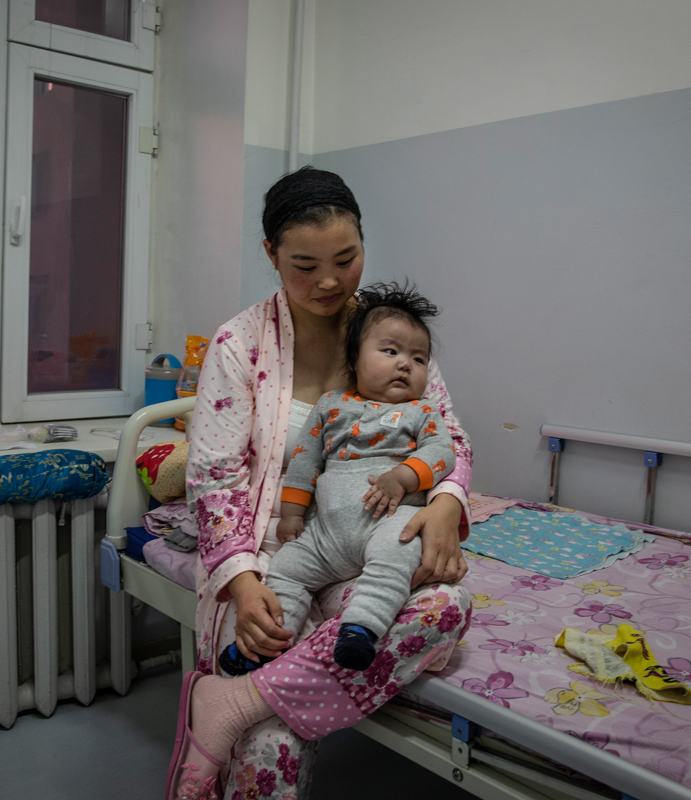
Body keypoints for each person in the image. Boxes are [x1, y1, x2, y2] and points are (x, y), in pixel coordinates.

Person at [168, 167, 474, 800]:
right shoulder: (239, 343)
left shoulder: (391, 335)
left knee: (448, 606)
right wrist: (244, 584)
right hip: (275, 556)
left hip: (378, 547)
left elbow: (450, 438)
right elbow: (215, 477)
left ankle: (234, 699)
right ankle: (254, 712)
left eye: (347, 258)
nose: (329, 281)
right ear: (271, 255)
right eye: (304, 265)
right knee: (270, 747)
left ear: (364, 243)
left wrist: (445, 502)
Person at [217, 282, 455, 675]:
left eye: (418, 358)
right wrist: (293, 512)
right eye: (391, 351)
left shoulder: (422, 411)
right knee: (287, 568)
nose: (405, 364)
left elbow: (442, 453)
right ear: (355, 359)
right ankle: (271, 640)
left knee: (396, 558)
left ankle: (361, 629)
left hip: (389, 522)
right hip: (325, 534)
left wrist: (403, 476)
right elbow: (305, 460)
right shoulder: (331, 406)